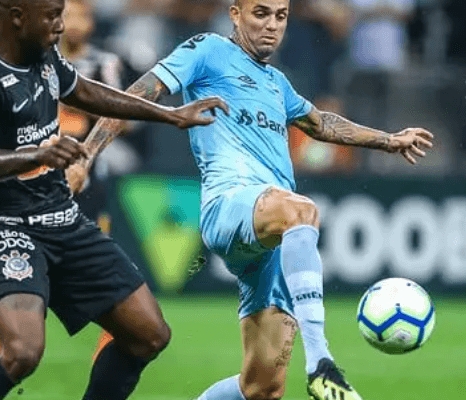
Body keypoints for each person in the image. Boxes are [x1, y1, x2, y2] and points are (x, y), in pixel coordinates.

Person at [68, 0, 434, 399]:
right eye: (261, 13)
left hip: (270, 236)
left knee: (261, 388)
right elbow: (137, 95)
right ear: (235, 13)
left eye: (281, 16)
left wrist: (389, 140)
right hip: (230, 204)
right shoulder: (207, 50)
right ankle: (321, 363)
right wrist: (87, 154)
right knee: (302, 211)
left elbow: (321, 123)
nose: (272, 26)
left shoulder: (277, 82)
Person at [0, 0, 228, 397]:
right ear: (16, 16)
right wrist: (38, 153)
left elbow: (86, 92)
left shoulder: (43, 55)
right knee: (22, 353)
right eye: (52, 15)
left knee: (148, 334)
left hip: (61, 216)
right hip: (2, 224)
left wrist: (170, 115)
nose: (61, 25)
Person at [0, 0, 122, 363]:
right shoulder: (34, 60)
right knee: (20, 254)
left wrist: (84, 132)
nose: (72, 23)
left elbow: (121, 118)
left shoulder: (103, 64)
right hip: (34, 177)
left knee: (97, 260)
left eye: (80, 15)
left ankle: (115, 332)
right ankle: (9, 336)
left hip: (86, 179)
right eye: (66, 15)